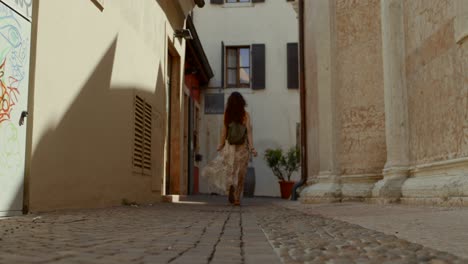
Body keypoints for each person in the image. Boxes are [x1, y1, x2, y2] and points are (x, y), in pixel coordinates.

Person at [216, 92, 257, 206]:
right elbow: (249, 132)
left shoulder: (227, 114)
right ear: (242, 102)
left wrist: (220, 145)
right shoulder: (246, 115)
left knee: (230, 170)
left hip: (230, 146)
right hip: (242, 146)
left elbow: (224, 132)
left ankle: (230, 188)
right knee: (241, 173)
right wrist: (252, 147)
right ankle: (237, 197)